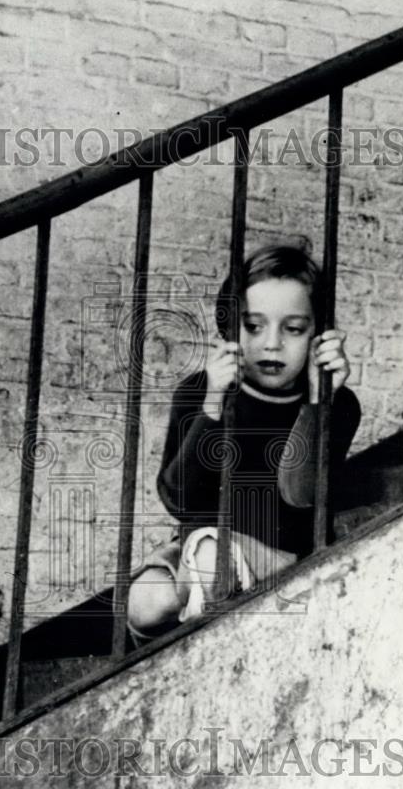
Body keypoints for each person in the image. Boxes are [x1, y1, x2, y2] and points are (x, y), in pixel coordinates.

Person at [127, 244, 361, 641]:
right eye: (254, 326)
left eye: (293, 329)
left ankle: (205, 653)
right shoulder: (199, 390)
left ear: (317, 335)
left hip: (281, 555)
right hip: (199, 544)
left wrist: (320, 403)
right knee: (145, 602)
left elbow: (298, 493)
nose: (272, 344)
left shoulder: (338, 403)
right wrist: (213, 404)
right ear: (230, 329)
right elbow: (179, 498)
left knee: (210, 559)